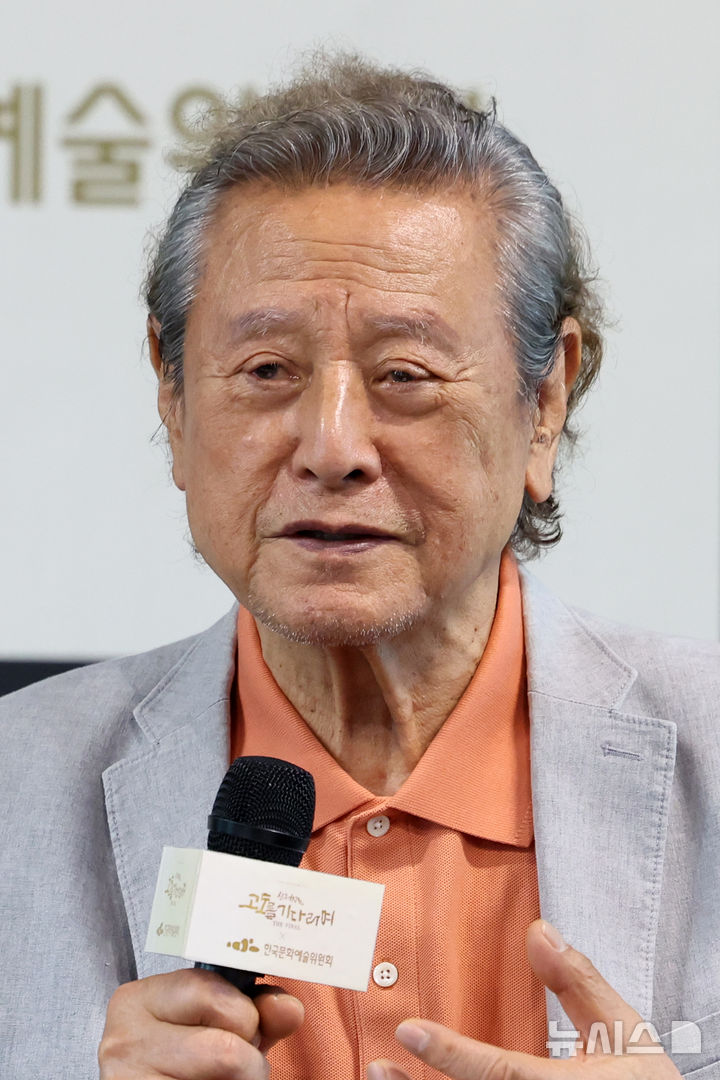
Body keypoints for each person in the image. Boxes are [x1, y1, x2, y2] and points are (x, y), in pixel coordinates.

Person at [1, 55, 718, 1080]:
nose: (331, 446)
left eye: (404, 375)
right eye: (266, 371)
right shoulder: (17, 788)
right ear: (173, 396)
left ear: (545, 403)